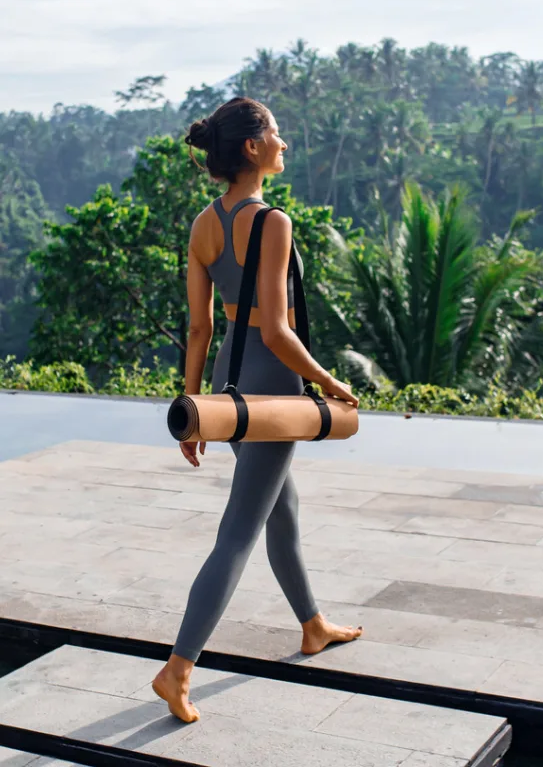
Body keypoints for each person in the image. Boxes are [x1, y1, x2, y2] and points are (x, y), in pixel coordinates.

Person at [152, 97, 362, 724]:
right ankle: (178, 669)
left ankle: (312, 625)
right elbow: (275, 329)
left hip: (226, 384)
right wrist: (329, 384)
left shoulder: (202, 224)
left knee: (281, 510)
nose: (283, 144)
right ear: (251, 147)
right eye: (275, 134)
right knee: (239, 532)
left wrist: (194, 407)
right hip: (272, 387)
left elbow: (198, 328)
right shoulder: (272, 222)